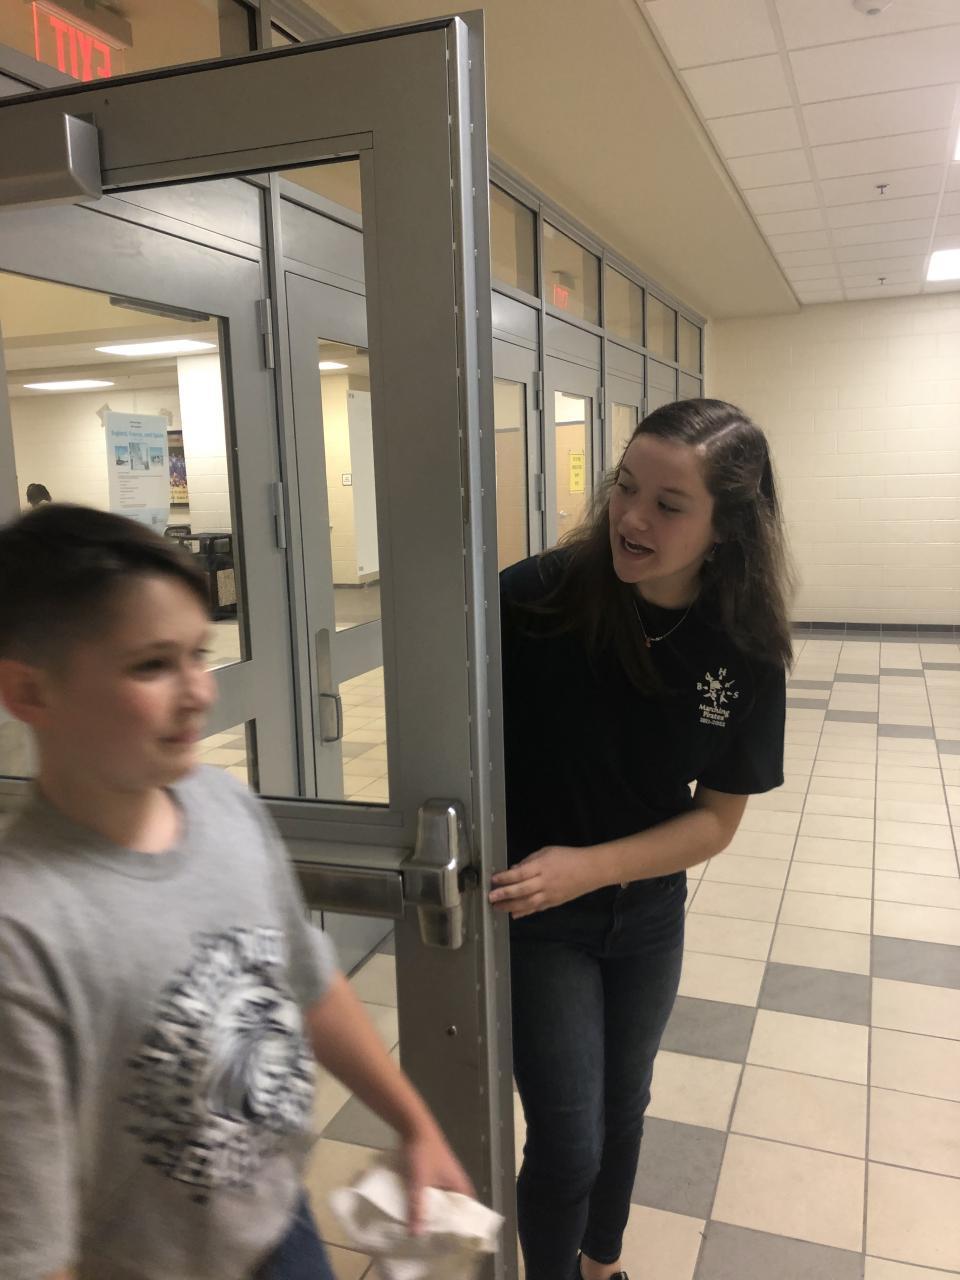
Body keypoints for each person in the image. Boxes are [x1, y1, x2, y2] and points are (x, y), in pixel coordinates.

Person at [0, 503, 472, 1280]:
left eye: (199, 654)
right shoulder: (24, 932)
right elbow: (33, 1253)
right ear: (30, 692)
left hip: (282, 1224)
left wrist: (414, 1123)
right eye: (151, 665)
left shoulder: (224, 806)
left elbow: (309, 982)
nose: (199, 693)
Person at [490, 399, 793, 1280]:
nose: (631, 517)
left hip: (647, 912)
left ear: (726, 528)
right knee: (569, 1139)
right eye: (625, 487)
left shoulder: (743, 645)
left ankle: (601, 1265)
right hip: (541, 915)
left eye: (668, 504)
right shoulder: (533, 600)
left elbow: (716, 819)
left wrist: (594, 868)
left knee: (626, 1108)